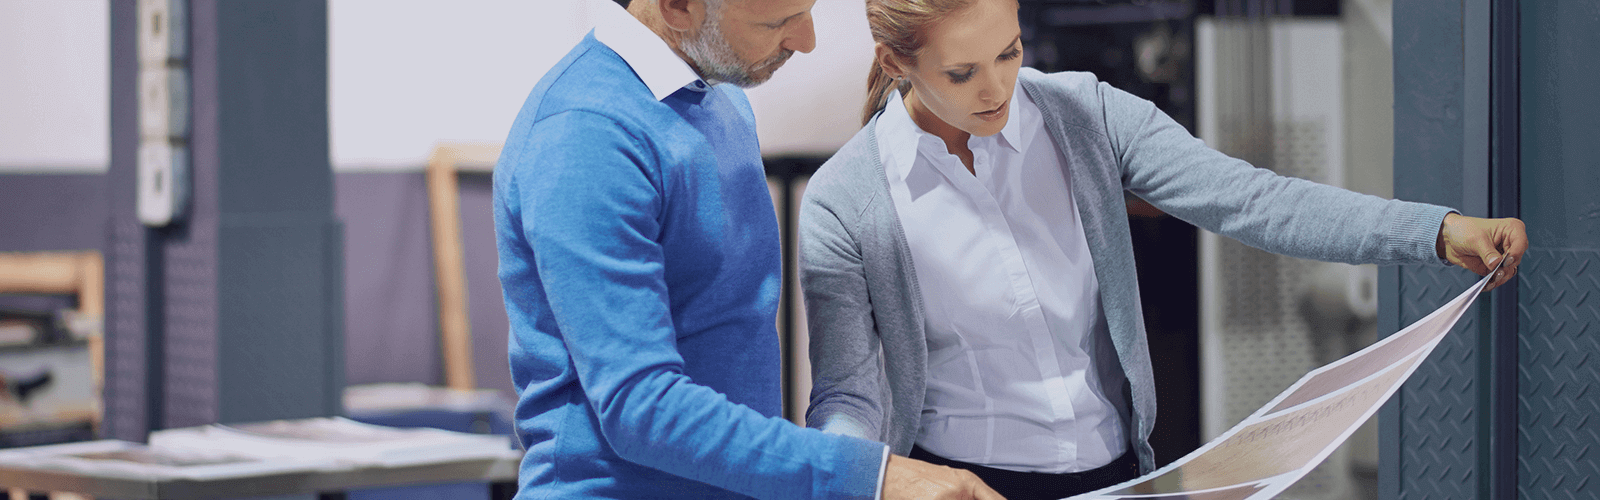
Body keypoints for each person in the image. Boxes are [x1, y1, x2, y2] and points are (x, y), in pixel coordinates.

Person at [798, 0, 1529, 499]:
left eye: (1010, 52)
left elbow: (1254, 200)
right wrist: (868, 478)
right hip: (964, 486)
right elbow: (847, 396)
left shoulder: (1085, 115)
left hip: (1115, 476)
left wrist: (1436, 231)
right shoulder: (846, 199)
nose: (998, 88)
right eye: (962, 73)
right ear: (896, 63)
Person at [493, 0, 1005, 498]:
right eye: (777, 22)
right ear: (676, 7)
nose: (806, 41)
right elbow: (640, 406)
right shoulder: (587, 133)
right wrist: (873, 477)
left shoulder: (717, 97)